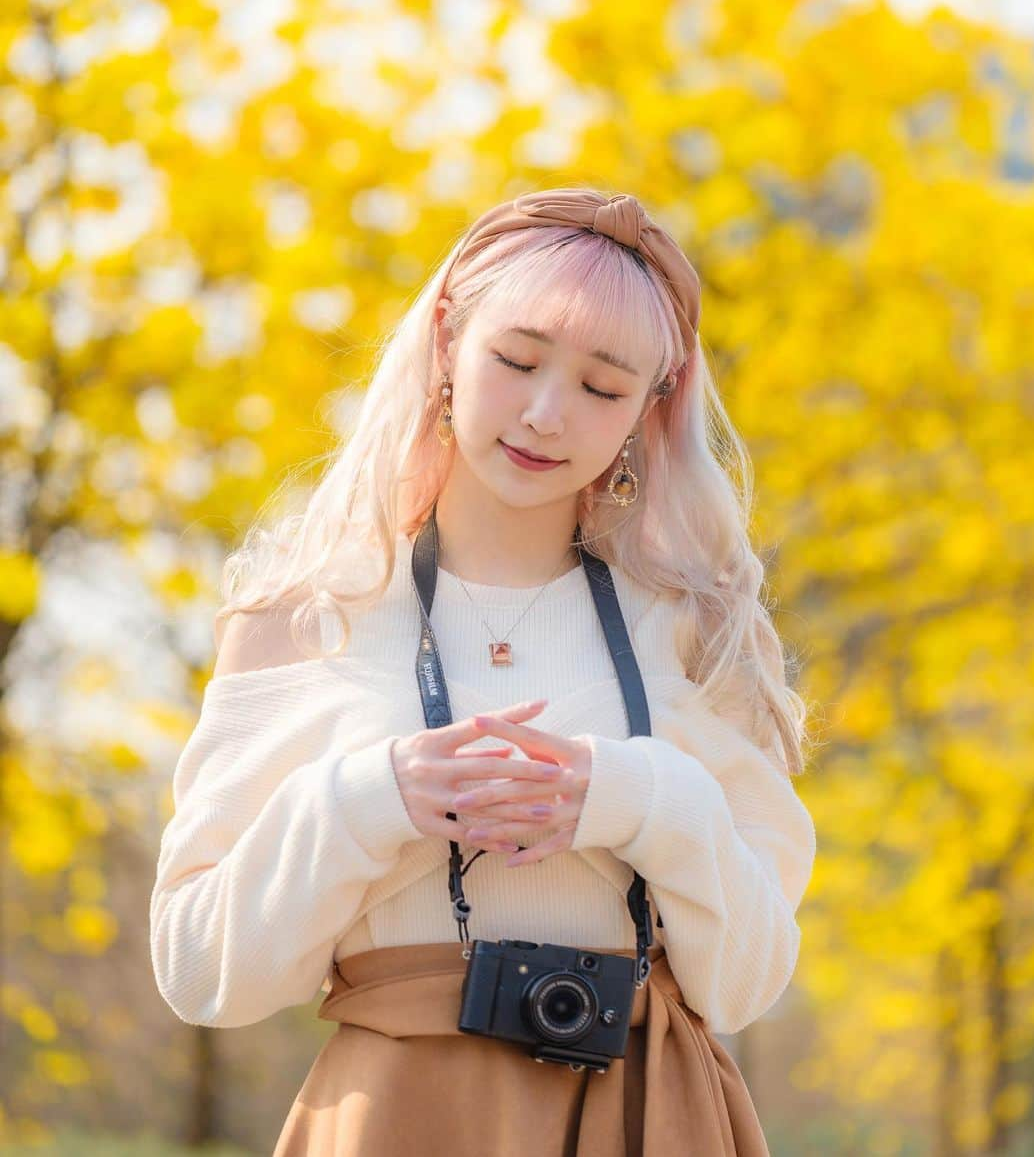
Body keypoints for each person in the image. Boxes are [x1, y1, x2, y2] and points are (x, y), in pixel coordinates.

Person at [149, 186, 817, 1155]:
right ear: (449, 342)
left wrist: (635, 798)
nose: (547, 415)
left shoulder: (703, 634)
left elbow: (748, 983)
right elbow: (199, 966)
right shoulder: (305, 619)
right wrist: (375, 800)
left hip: (647, 1116)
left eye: (602, 386)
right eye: (516, 360)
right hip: (398, 1117)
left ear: (650, 406)